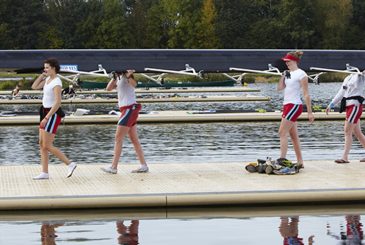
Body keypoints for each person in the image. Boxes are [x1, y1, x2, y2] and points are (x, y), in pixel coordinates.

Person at [31, 58, 77, 180]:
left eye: (47, 67)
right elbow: (34, 86)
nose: (45, 69)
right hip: (44, 111)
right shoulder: (47, 80)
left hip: (52, 114)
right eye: (44, 67)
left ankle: (70, 164)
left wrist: (47, 118)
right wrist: (42, 75)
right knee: (41, 144)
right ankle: (45, 172)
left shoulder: (57, 82)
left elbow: (57, 103)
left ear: (54, 68)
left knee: (47, 145)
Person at [101, 70, 148, 174]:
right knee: (134, 139)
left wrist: (128, 75)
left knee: (118, 138)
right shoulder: (118, 78)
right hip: (127, 110)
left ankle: (113, 167)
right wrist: (114, 77)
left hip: (129, 109)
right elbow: (108, 89)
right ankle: (143, 165)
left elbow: (134, 84)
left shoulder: (127, 76)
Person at [277, 51, 315, 168]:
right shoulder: (288, 73)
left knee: (282, 132)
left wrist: (309, 112)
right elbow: (279, 88)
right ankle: (300, 162)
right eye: (286, 61)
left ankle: (282, 160)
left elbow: (306, 94)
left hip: (294, 106)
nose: (286, 63)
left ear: (294, 61)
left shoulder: (301, 74)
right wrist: (282, 76)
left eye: (288, 61)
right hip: (286, 105)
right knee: (293, 136)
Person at [326, 73, 365, 164]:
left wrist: (361, 73)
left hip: (355, 106)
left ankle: (345, 157)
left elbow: (356, 82)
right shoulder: (348, 77)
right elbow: (341, 93)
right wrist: (331, 104)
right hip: (349, 106)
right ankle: (345, 157)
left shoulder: (361, 77)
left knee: (347, 131)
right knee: (357, 132)